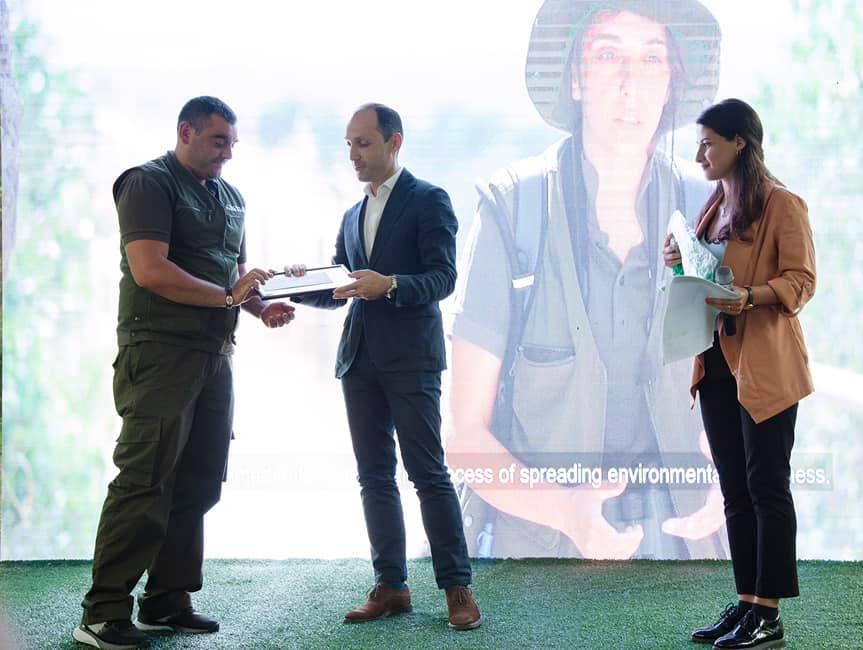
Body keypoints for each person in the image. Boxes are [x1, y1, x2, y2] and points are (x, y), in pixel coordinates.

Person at [448, 0, 725, 560]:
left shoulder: (712, 217)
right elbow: (464, 438)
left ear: (671, 84)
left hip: (688, 556)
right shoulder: (513, 211)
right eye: (608, 54)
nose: (630, 83)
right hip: (542, 562)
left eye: (652, 57)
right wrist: (566, 512)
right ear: (575, 78)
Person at [74, 96, 297, 650]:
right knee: (145, 479)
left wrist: (260, 306)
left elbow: (235, 277)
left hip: (214, 355)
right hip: (158, 354)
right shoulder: (147, 184)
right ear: (186, 132)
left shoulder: (231, 197)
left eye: (232, 143)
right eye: (219, 141)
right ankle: (103, 613)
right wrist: (230, 296)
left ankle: (166, 601)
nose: (228, 153)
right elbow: (150, 271)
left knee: (198, 480)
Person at [291, 103, 481, 630]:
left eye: (364, 143)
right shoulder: (352, 215)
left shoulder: (429, 200)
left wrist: (391, 284)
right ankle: (391, 586)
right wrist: (295, 287)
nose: (353, 154)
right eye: (349, 144)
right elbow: (340, 288)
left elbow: (444, 278)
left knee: (428, 473)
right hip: (359, 361)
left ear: (394, 142)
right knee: (374, 477)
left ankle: (457, 587)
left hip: (412, 360)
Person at [663, 98, 815, 648]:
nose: (699, 154)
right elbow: (711, 274)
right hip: (717, 363)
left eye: (708, 143)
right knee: (734, 488)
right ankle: (748, 601)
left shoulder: (783, 204)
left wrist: (750, 296)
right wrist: (680, 259)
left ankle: (769, 614)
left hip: (766, 367)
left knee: (766, 485)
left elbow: (801, 281)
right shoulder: (715, 204)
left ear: (739, 143)